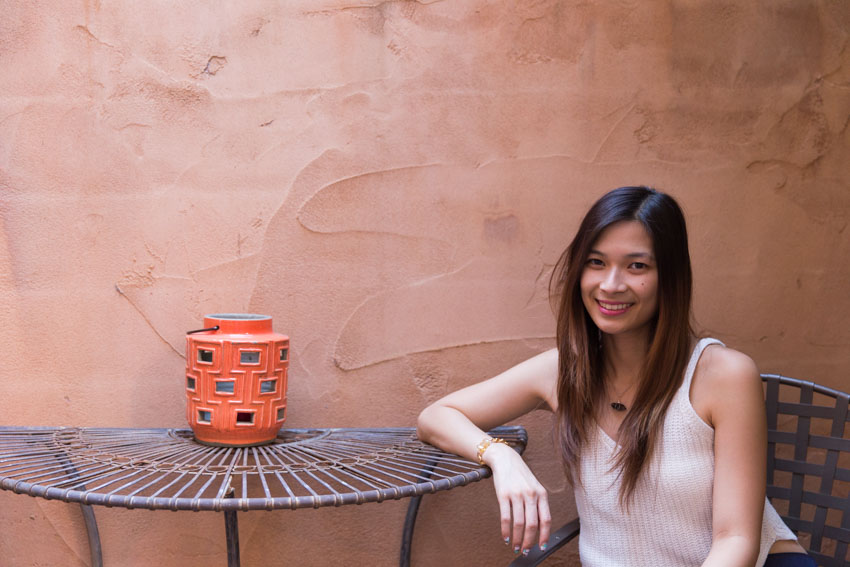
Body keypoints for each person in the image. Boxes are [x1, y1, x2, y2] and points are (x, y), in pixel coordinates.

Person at [417, 187, 813, 566]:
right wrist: (501, 457)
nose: (611, 285)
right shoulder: (562, 372)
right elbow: (436, 417)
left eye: (637, 266)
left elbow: (736, 539)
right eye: (596, 262)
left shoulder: (723, 375)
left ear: (669, 277)